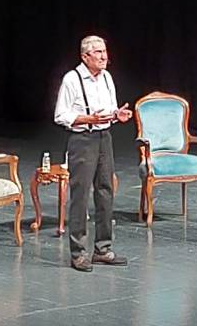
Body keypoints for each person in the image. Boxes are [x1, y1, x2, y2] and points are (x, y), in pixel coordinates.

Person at [54, 35, 133, 271]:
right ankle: (78, 252)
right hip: (83, 140)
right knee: (80, 195)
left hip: (104, 137)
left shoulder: (107, 77)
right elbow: (61, 115)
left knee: (105, 191)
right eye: (98, 52)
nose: (103, 56)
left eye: (104, 51)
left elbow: (108, 110)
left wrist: (117, 115)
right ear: (85, 56)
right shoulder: (72, 79)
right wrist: (87, 119)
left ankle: (103, 249)